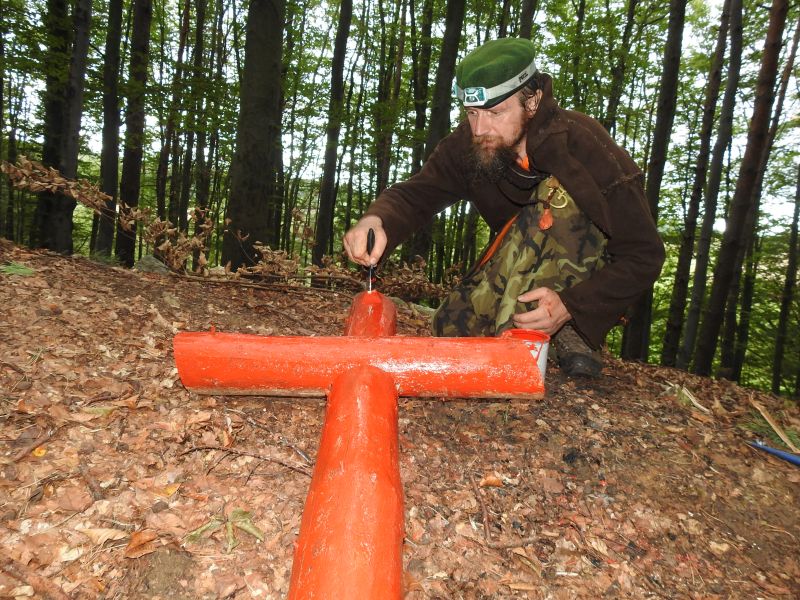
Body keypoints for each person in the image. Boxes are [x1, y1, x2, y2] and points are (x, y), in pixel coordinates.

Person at [343, 37, 665, 378]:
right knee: (450, 328)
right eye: (471, 113)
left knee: (557, 194)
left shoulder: (585, 148)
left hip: (584, 282)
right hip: (515, 260)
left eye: (495, 112)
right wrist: (376, 219)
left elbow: (644, 255)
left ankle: (570, 330)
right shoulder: (470, 141)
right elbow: (418, 193)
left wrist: (573, 305)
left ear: (533, 101)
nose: (481, 129)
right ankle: (530, 328)